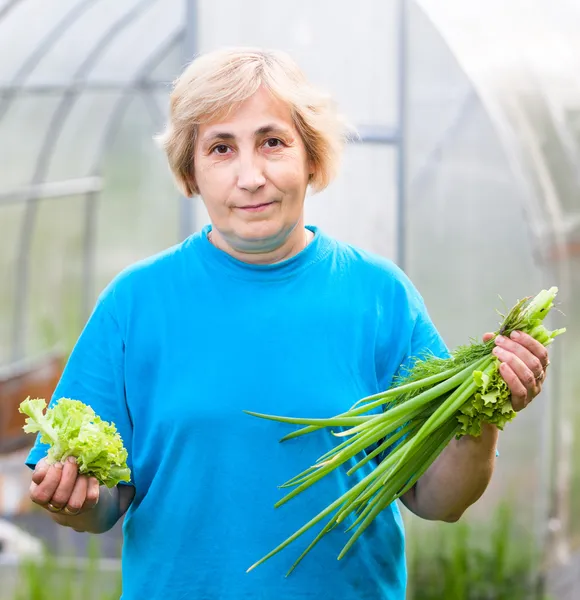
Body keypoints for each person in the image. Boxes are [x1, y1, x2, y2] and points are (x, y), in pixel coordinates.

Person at [25, 47, 550, 600]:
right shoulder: (135, 303)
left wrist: (482, 412)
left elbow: (439, 501)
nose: (250, 177)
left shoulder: (379, 297)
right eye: (221, 149)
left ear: (311, 158)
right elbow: (104, 505)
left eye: (272, 142)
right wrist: (74, 500)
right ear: (191, 171)